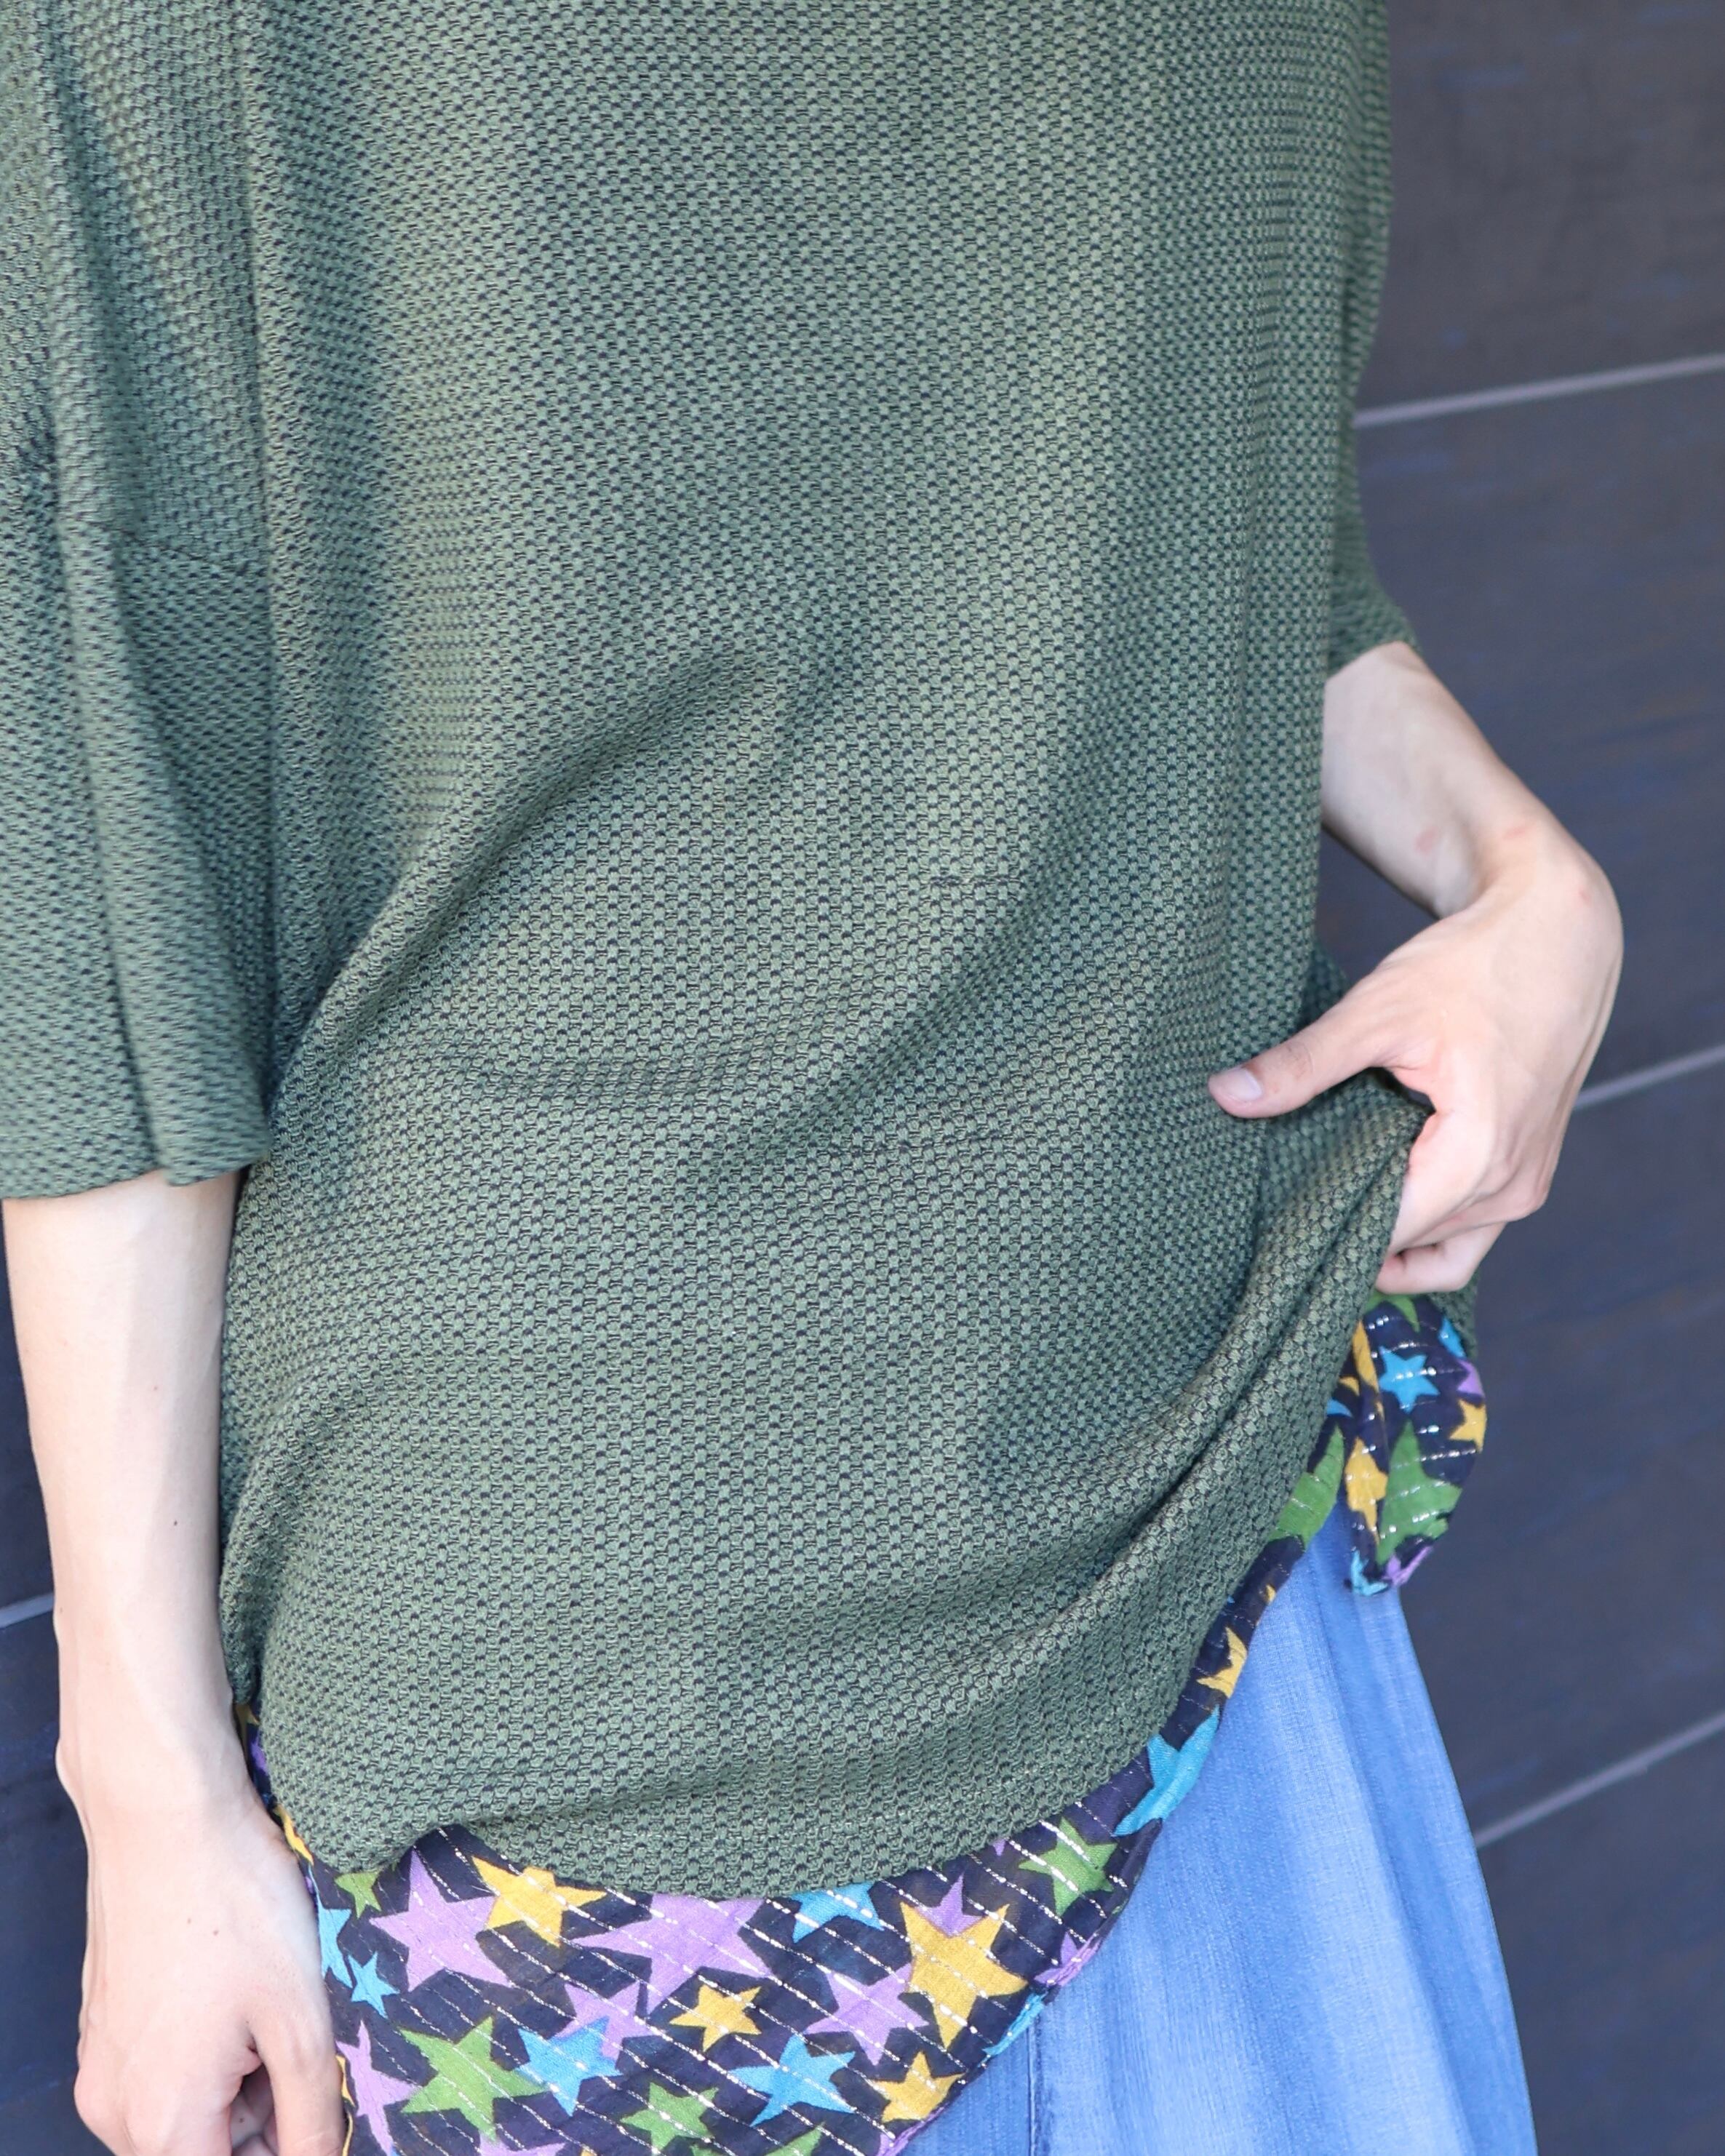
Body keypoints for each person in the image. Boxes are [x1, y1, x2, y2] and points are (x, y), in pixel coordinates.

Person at [0, 3, 1620, 2153]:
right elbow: (94, 844)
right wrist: (142, 1785)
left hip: (1227, 1538)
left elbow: (1217, 535)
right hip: (603, 1761)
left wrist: (1527, 875)